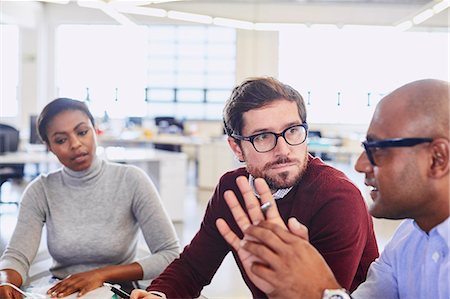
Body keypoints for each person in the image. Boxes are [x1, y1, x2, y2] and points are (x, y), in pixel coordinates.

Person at [131, 77, 379, 299]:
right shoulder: (232, 188)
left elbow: (328, 294)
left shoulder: (337, 197)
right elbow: (193, 267)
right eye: (262, 137)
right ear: (236, 148)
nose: (283, 150)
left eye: (292, 131)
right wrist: (160, 295)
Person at [219, 78, 450, 299]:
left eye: (379, 149)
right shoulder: (408, 238)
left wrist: (322, 291)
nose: (360, 165)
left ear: (437, 159)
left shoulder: (337, 195)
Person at [0, 98, 181, 299]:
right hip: (60, 290)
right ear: (50, 147)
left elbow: (170, 254)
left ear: (95, 130)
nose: (76, 144)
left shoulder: (131, 180)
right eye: (61, 140)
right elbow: (17, 256)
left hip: (119, 289)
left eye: (82, 132)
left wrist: (100, 274)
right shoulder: (40, 190)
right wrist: (5, 282)